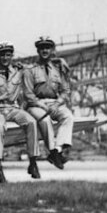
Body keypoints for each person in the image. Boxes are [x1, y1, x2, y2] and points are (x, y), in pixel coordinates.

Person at [0, 41, 41, 181]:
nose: (5, 58)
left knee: (32, 122)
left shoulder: (19, 71)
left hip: (12, 108)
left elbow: (35, 70)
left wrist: (23, 66)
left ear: (12, 56)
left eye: (8, 55)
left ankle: (33, 163)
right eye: (2, 55)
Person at [23, 37, 74, 169]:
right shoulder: (30, 70)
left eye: (47, 48)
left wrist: (57, 103)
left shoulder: (58, 69)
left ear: (52, 50)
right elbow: (28, 94)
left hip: (54, 102)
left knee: (68, 116)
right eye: (42, 48)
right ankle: (51, 150)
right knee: (45, 121)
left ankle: (57, 149)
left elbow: (65, 90)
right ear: (38, 50)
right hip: (36, 104)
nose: (45, 50)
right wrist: (42, 105)